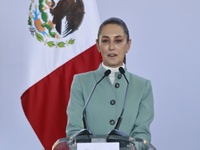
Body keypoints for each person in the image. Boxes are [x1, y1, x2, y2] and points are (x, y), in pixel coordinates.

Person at [66, 17, 154, 143]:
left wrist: (133, 146)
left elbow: (142, 134)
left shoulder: (142, 86)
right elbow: (73, 131)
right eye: (106, 41)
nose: (111, 47)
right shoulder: (81, 82)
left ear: (128, 45)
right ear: (98, 45)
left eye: (118, 41)